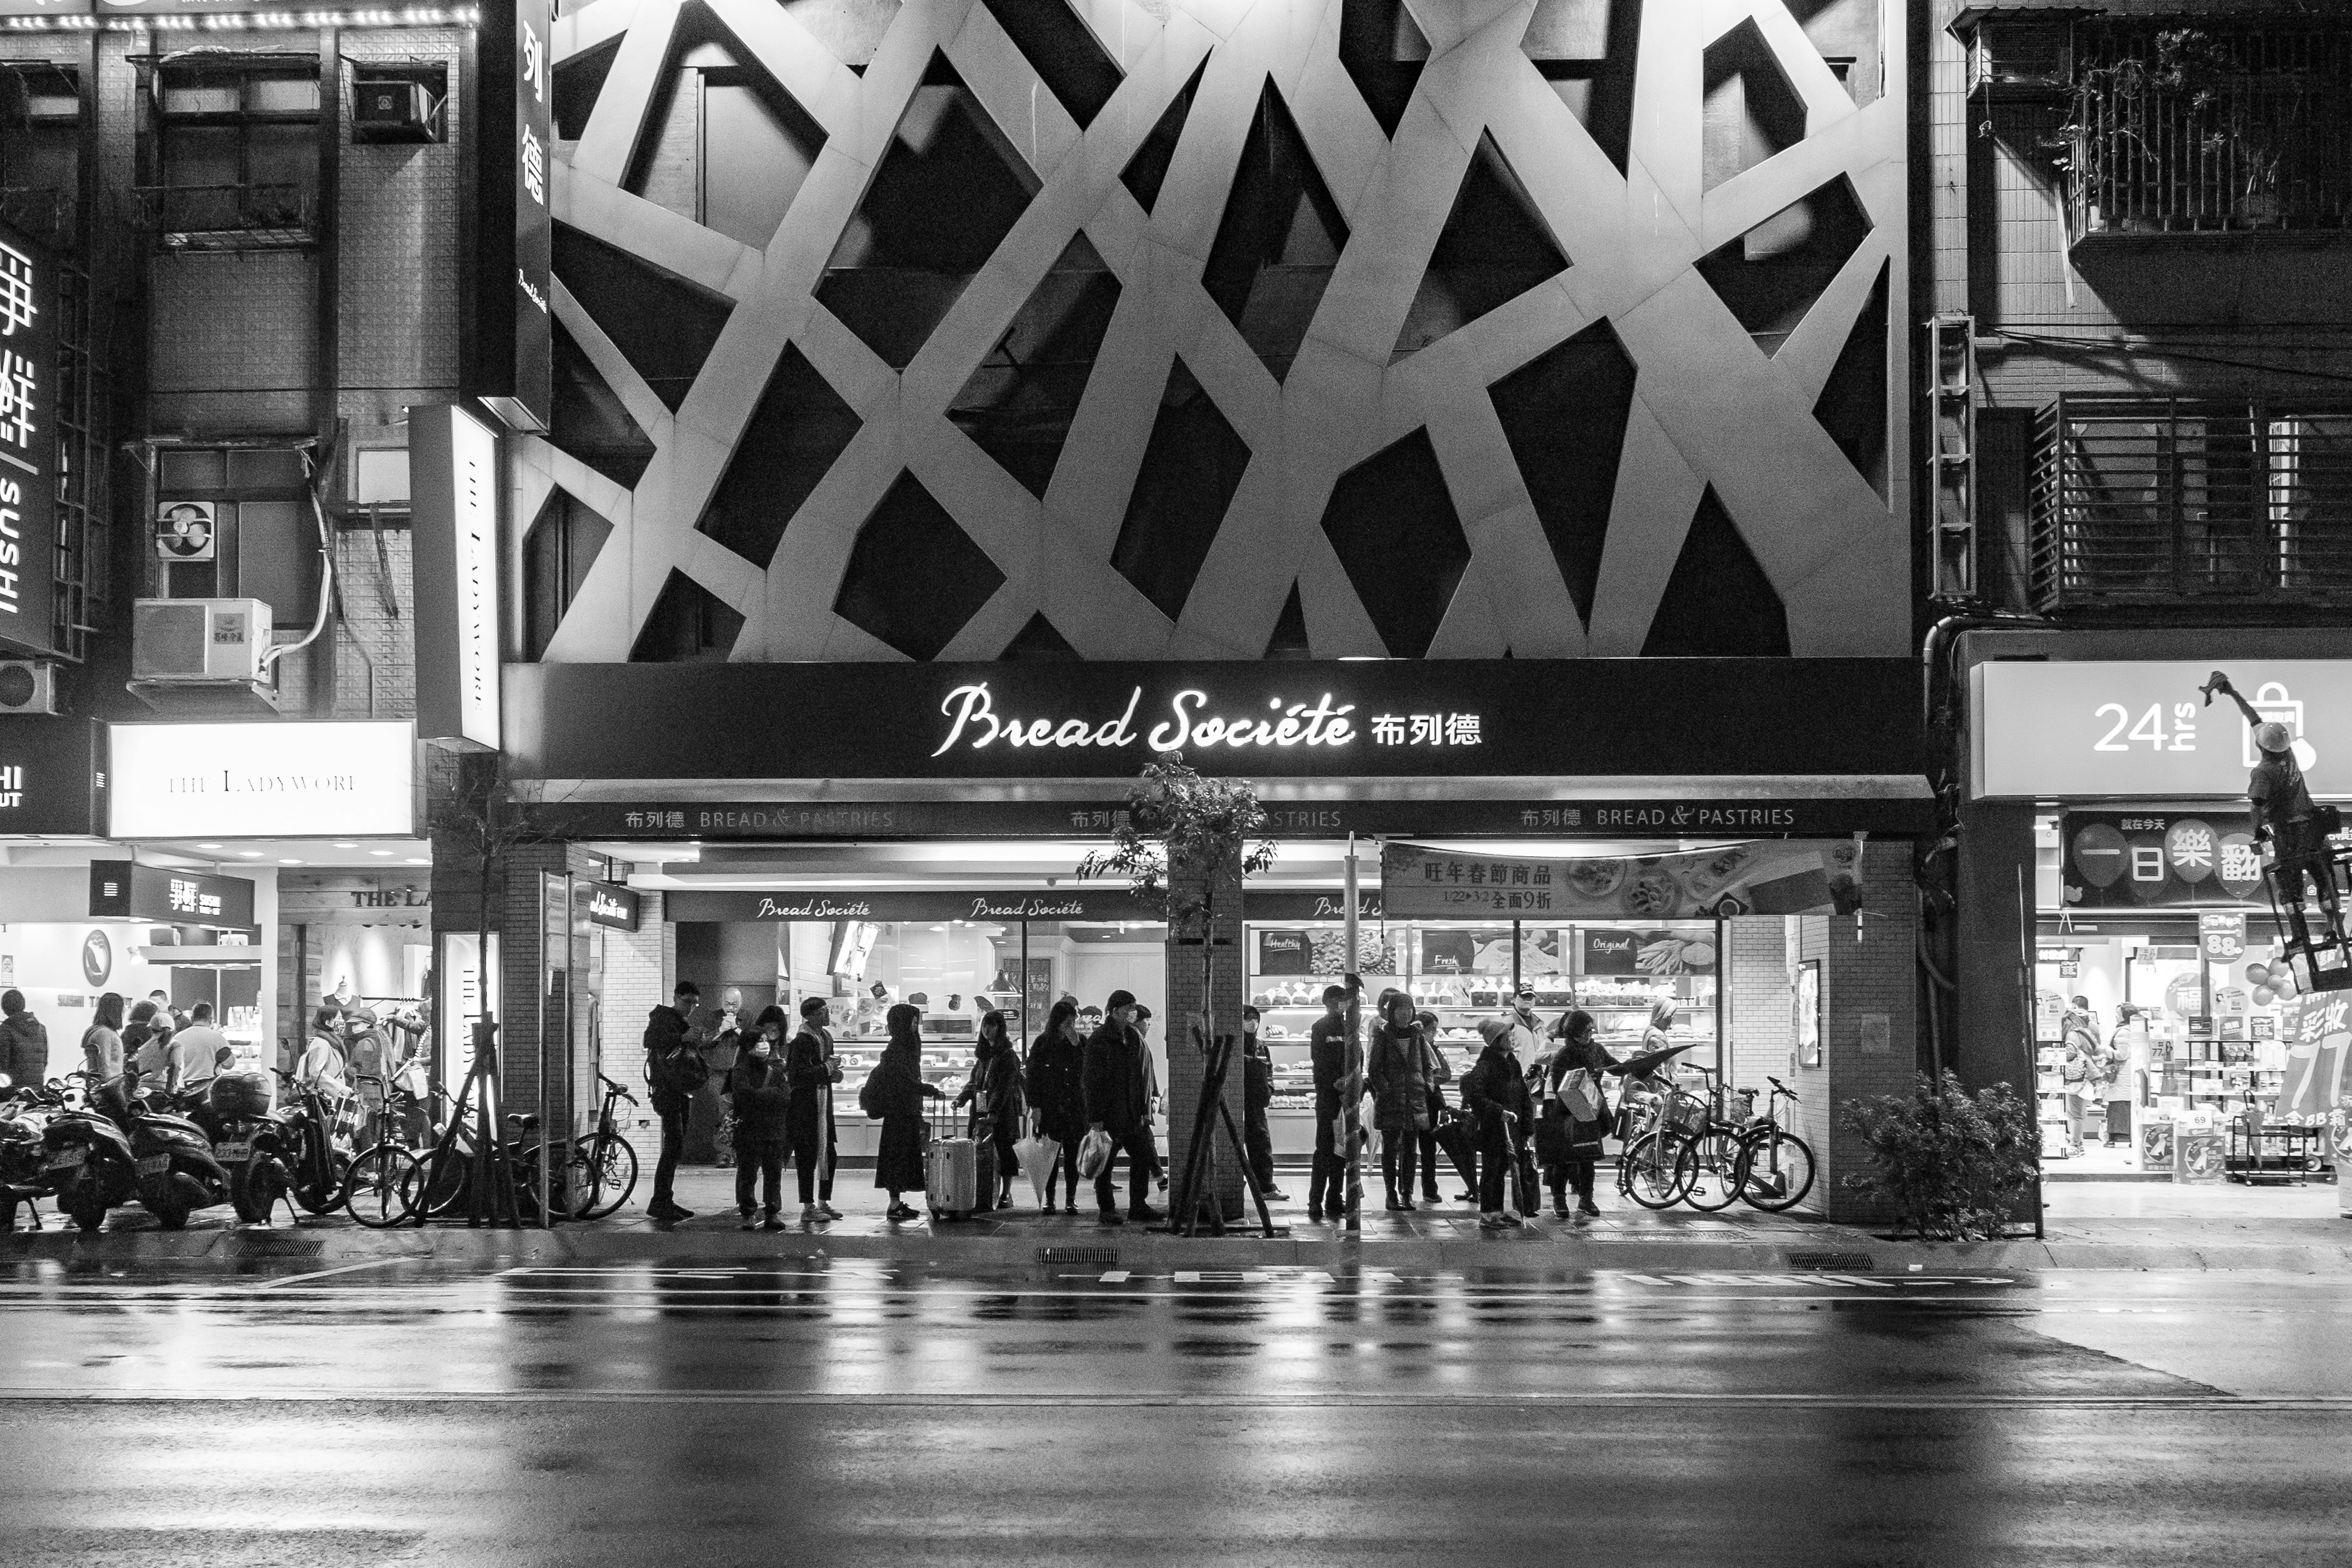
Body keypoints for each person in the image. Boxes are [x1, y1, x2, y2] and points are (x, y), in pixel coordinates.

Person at [1083, 990, 1163, 1226]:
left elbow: (1139, 1076)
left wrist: (1142, 1109)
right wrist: (1095, 1116)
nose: (1133, 1012)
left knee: (1141, 1157)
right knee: (1105, 1164)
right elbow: (1090, 1080)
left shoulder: (1133, 1037)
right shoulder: (1099, 1039)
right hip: (1108, 1113)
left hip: (1131, 1113)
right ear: (1115, 1011)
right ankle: (1106, 1208)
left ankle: (1138, 1205)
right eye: (1129, 1007)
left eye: (1134, 1007)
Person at [861, 1002, 943, 1222]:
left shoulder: (905, 1045)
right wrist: (929, 1090)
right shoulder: (899, 1048)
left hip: (904, 1110)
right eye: (913, 1020)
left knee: (900, 1157)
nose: (916, 1024)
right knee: (897, 1157)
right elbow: (903, 1082)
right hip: (898, 1111)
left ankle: (896, 1203)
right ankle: (894, 1204)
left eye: (917, 1020)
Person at [1540, 1010, 1617, 1221]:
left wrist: (1638, 1065)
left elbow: (1615, 1067)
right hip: (1568, 1113)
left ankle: (1586, 1199)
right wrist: (1580, 1082)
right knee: (1564, 1159)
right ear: (1574, 1031)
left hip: (1592, 1110)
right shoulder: (1563, 1055)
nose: (1590, 1032)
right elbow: (1558, 1087)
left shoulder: (1598, 1050)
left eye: (1591, 1028)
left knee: (1588, 1158)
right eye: (1586, 1028)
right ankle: (1559, 1199)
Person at [1461, 1015, 1534, 1230]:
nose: (1512, 1038)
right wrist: (1498, 1111)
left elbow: (1523, 1095)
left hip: (1512, 1128)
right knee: (1492, 1169)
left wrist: (1527, 1126)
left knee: (1502, 1168)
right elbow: (1475, 1095)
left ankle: (1498, 1211)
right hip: (1494, 1128)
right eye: (1507, 1035)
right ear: (1496, 1040)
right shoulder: (1486, 1066)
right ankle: (1487, 1213)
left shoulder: (1512, 1064)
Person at [643, 981, 706, 1224]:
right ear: (676, 997)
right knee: (674, 1144)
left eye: (695, 1003)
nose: (691, 1007)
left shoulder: (678, 1021)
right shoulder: (662, 1017)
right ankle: (660, 1202)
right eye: (688, 1001)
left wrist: (697, 1040)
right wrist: (683, 1037)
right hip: (667, 1089)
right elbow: (651, 1040)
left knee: (676, 1145)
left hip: (679, 1089)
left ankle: (664, 1199)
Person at [1367, 992, 1433, 1212]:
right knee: (1390, 1149)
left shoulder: (1417, 1036)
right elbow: (1374, 1070)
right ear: (1391, 1012)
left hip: (1414, 1099)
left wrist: (1426, 1084)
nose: (1405, 1014)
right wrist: (1385, 1090)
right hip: (1391, 1100)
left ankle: (1407, 1193)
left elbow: (1428, 1065)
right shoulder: (1383, 1036)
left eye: (1409, 1009)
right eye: (1400, 1010)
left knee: (1410, 1150)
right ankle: (1390, 1194)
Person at [730, 1006, 792, 1231]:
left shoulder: (774, 1071)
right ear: (748, 1046)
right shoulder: (740, 1070)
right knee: (748, 1173)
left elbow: (785, 1096)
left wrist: (763, 1096)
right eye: (759, 1041)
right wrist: (769, 1096)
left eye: (766, 1040)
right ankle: (748, 1213)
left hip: (774, 1131)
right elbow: (745, 1096)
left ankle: (772, 1213)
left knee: (773, 1174)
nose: (764, 1044)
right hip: (749, 1131)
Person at [955, 1010, 1024, 1211]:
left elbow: (1004, 1086)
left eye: (992, 1025)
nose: (987, 1030)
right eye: (985, 1025)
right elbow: (973, 1083)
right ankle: (985, 1191)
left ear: (1000, 1028)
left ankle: (1006, 1193)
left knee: (1004, 1152)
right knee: (981, 1153)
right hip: (980, 1113)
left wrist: (993, 1110)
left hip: (1001, 1113)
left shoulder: (1008, 1056)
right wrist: (962, 1098)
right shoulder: (983, 1057)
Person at [784, 997, 844, 1223]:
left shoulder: (826, 1037)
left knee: (829, 1153)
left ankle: (823, 1201)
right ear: (809, 1016)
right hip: (805, 1104)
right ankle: (807, 1205)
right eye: (822, 1012)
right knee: (807, 1154)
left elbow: (828, 1067)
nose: (827, 1015)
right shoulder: (801, 1041)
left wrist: (835, 1074)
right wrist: (826, 1069)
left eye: (827, 1011)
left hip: (824, 1101)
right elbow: (797, 1075)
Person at [1026, 999, 1088, 1213]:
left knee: (1072, 1156)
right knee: (1050, 1155)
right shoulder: (1043, 1043)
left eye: (1073, 1022)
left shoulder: (1080, 1043)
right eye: (1067, 1022)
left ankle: (1071, 1198)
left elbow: (1086, 1072)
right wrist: (1035, 1107)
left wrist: (1076, 1046)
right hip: (1050, 1107)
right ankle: (1050, 1199)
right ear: (1057, 1022)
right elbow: (1032, 1076)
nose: (1071, 1027)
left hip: (1074, 1108)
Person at [1306, 983, 1354, 1222]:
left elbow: (1358, 1057)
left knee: (1342, 1151)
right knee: (1324, 1149)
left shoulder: (1350, 1027)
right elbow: (1319, 1059)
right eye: (1338, 1000)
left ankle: (1335, 1198)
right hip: (1328, 1096)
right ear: (1328, 1003)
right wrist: (1334, 1081)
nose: (1342, 1005)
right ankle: (1315, 1200)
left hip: (1347, 1097)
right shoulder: (1320, 1027)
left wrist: (1352, 1080)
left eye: (1344, 1000)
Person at [1239, 1006, 1286, 1201]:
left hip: (1257, 1104)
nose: (1252, 1023)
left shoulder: (1261, 1045)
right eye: (1248, 1019)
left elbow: (1269, 1071)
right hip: (1238, 1103)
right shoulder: (1236, 1044)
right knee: (1234, 1144)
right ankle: (1235, 1183)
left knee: (1261, 1146)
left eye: (1255, 1019)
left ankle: (1266, 1187)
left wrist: (1269, 1089)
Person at [1412, 1009, 1451, 1204]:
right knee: (1410, 1148)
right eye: (1432, 1030)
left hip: (1429, 1104)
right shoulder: (1412, 1046)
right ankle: (1406, 1190)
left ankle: (1429, 1189)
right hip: (1413, 1102)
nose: (1433, 1034)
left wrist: (1426, 1081)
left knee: (1427, 1148)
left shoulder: (1434, 1050)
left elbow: (1446, 1073)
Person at [706, 987, 747, 1171]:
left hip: (742, 1074)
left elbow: (753, 1040)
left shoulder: (749, 1017)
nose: (730, 1008)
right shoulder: (712, 1018)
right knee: (722, 1114)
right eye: (727, 1004)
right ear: (721, 1002)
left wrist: (736, 1028)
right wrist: (721, 1030)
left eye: (735, 1004)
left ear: (741, 1003)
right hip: (718, 1074)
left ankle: (741, 1153)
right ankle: (723, 1154)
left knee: (742, 1114)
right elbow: (702, 1042)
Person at [2059, 1001, 2102, 1156]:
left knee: (2075, 1112)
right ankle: (2079, 1144)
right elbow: (2097, 1050)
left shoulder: (2071, 1034)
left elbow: (2070, 1053)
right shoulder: (2086, 1033)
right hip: (2086, 1075)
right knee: (2079, 1112)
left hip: (2076, 1077)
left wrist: (2056, 1055)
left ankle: (2075, 1145)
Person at [2103, 1004, 2143, 1149]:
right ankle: (2130, 1137)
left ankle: (2115, 1138)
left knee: (2118, 1106)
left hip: (2122, 1075)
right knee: (2127, 1107)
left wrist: (2107, 1050)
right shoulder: (2135, 1030)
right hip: (2129, 1075)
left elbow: (2122, 1054)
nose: (2116, 1016)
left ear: (2125, 1016)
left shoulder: (2123, 1032)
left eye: (2118, 1013)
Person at [167, 1002, 228, 1097]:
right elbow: (229, 1064)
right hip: (208, 1089)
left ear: (192, 1019)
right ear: (210, 1020)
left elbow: (171, 1064)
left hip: (184, 1089)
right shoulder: (217, 1037)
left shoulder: (178, 1037)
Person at [1, 989, 49, 1091]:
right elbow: (44, 1061)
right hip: (37, 1089)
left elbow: (3, 1063)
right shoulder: (41, 1029)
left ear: (4, 1008)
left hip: (13, 1091)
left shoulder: (5, 1030)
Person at [296, 1007, 349, 1098]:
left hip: (331, 1096)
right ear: (328, 1022)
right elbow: (316, 1073)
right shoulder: (321, 1044)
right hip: (324, 1098)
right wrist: (340, 1088)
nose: (342, 1022)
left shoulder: (332, 1043)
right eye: (339, 1018)